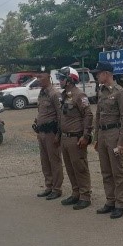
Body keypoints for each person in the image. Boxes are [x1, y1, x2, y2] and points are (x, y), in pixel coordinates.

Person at [92, 61, 123, 219]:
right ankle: (110, 200)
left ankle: (121, 204)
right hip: (103, 134)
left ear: (106, 74)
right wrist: (96, 137)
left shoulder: (120, 92)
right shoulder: (101, 91)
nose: (96, 76)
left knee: (117, 171)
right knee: (106, 170)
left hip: (114, 134)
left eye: (98, 73)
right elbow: (98, 115)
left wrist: (122, 141)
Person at [58, 66, 94, 210]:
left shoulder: (79, 95)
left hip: (76, 138)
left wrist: (86, 136)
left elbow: (88, 115)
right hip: (65, 138)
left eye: (62, 78)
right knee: (70, 167)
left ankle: (85, 196)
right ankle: (76, 193)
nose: (59, 81)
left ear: (69, 80)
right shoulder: (64, 95)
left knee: (80, 168)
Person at [32, 68, 64, 200]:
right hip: (41, 132)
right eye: (37, 77)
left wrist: (58, 134)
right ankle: (49, 186)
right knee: (45, 161)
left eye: (41, 77)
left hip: (52, 133)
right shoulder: (42, 93)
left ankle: (57, 188)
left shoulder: (54, 94)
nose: (38, 80)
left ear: (48, 77)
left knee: (54, 161)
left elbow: (60, 115)